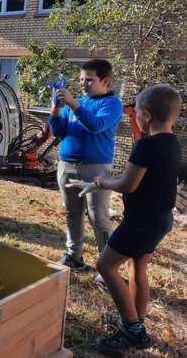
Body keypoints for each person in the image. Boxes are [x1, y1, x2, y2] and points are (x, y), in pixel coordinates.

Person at [67, 84, 181, 352]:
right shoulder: (172, 143)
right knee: (136, 268)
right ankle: (136, 320)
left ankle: (132, 330)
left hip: (141, 223)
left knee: (105, 266)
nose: (136, 116)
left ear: (147, 116)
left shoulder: (146, 146)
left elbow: (128, 184)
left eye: (137, 111)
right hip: (160, 220)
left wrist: (104, 181)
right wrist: (101, 183)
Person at [50, 59, 122, 275]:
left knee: (98, 216)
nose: (83, 84)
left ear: (105, 81)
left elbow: (95, 125)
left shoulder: (111, 104)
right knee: (72, 213)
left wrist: (72, 103)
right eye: (81, 79)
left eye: (89, 80)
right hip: (67, 164)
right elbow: (58, 131)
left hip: (95, 168)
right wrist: (56, 107)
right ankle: (74, 255)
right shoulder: (78, 102)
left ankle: (107, 266)